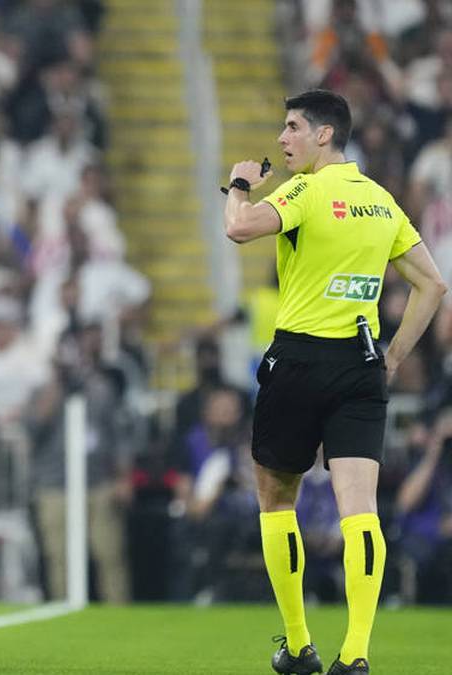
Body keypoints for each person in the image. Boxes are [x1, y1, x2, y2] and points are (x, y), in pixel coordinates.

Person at [224, 88, 448, 675]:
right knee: (361, 510)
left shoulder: (305, 189)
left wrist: (242, 185)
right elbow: (434, 286)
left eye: (293, 127)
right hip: (361, 362)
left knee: (276, 499)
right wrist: (393, 357)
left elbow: (240, 229)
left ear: (324, 135)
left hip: (298, 360)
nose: (282, 138)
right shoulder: (382, 201)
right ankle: (356, 655)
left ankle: (298, 646)